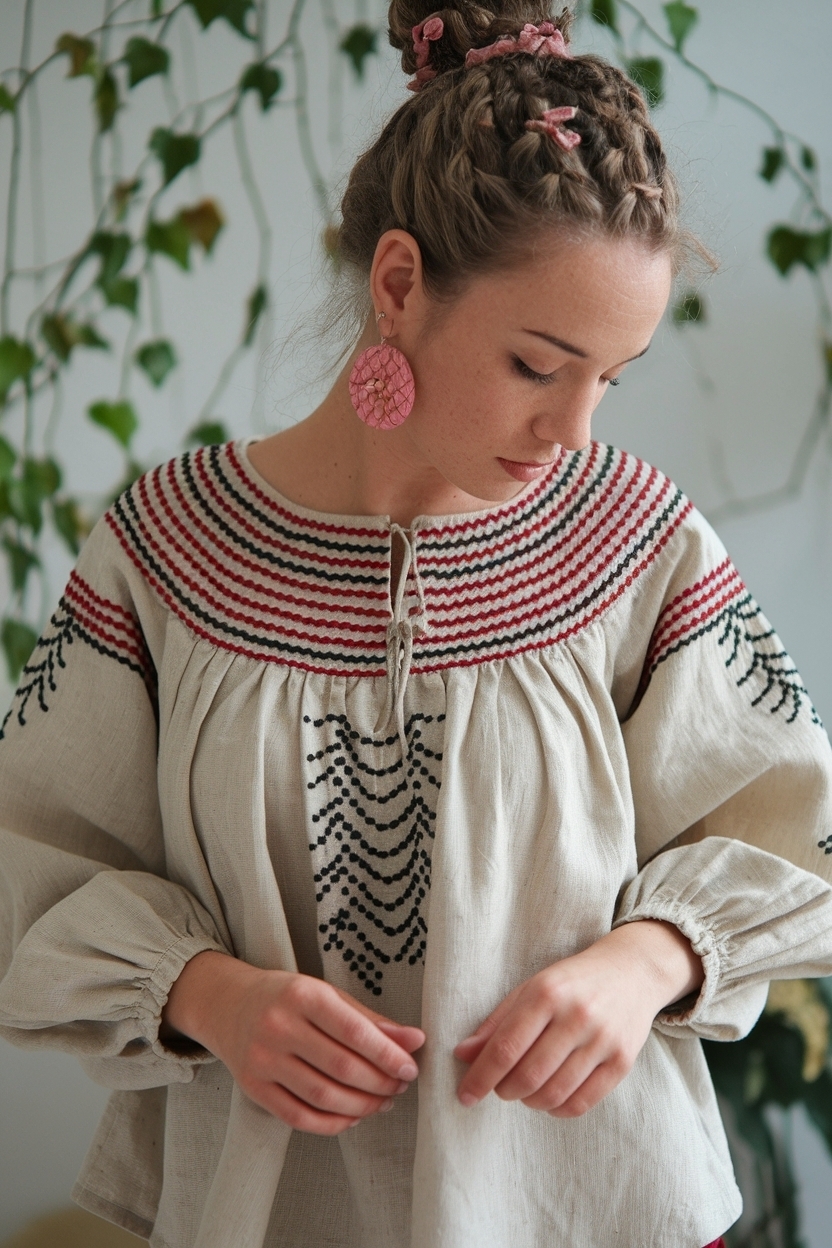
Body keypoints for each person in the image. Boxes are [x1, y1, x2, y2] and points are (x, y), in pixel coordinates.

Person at [1, 3, 831, 1246]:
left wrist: (647, 960)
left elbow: (797, 837)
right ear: (400, 283)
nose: (573, 431)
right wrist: (207, 994)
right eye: (539, 364)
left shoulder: (638, 540)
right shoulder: (166, 552)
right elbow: (28, 861)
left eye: (610, 378)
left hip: (603, 1210)